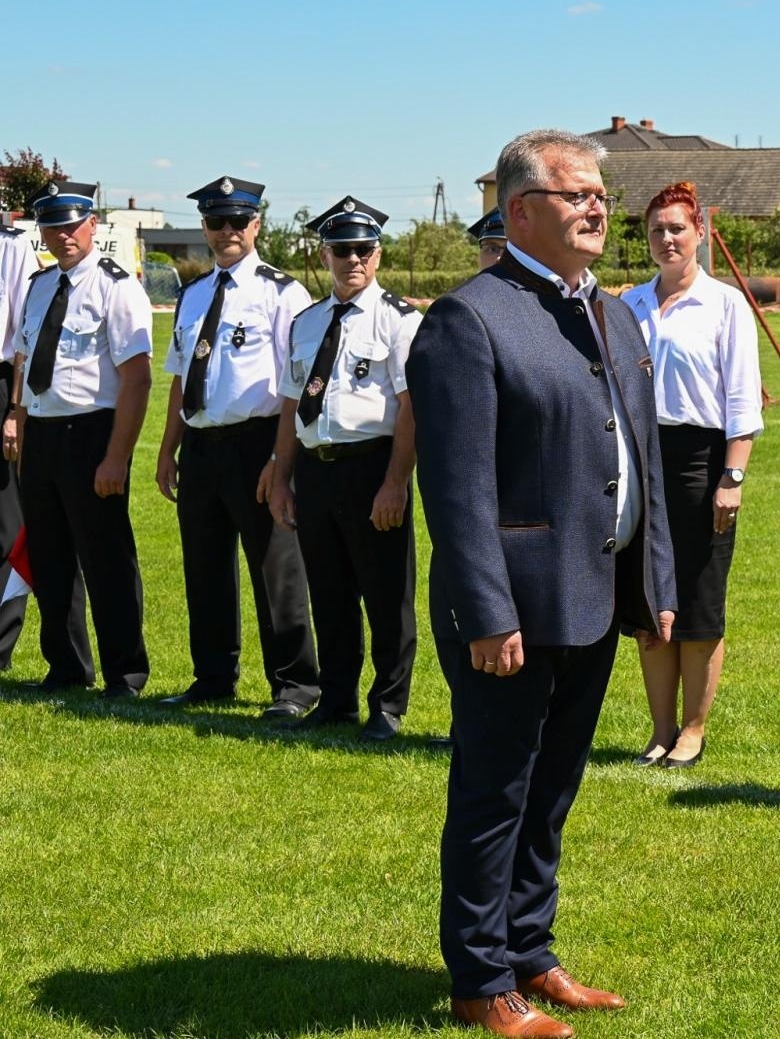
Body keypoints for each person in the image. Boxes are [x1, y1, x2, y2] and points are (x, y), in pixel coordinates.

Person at [407, 129, 675, 1039]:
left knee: (552, 788)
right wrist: (486, 609)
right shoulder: (469, 318)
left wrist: (656, 581)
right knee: (496, 794)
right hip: (512, 609)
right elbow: (455, 487)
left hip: (593, 597)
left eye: (602, 193)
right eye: (577, 194)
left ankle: (531, 952)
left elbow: (639, 454)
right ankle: (482, 981)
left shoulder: (614, 312)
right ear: (522, 210)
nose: (599, 207)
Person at [155, 176, 319, 719]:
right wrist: (166, 449)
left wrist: (280, 461)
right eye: (215, 222)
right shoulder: (193, 294)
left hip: (258, 444)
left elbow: (294, 386)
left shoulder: (282, 292)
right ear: (204, 228)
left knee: (276, 568)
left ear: (256, 224)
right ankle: (213, 675)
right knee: (204, 568)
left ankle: (294, 686)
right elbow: (180, 376)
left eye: (237, 221)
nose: (226, 232)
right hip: (201, 444)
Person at [620, 181, 762, 769]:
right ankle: (659, 729)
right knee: (649, 604)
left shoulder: (726, 305)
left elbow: (741, 402)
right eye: (656, 230)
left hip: (702, 465)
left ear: (699, 232)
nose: (666, 239)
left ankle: (693, 732)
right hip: (638, 462)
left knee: (699, 604)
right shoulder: (628, 306)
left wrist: (733, 478)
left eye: (677, 228)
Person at [267, 197, 419, 742]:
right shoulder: (307, 323)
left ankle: (388, 705)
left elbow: (411, 408)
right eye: (341, 250)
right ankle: (336, 700)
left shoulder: (400, 320)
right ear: (324, 255)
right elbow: (290, 404)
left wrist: (395, 483)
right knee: (328, 592)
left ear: (377, 256)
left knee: (385, 595)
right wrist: (282, 477)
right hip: (316, 468)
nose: (352, 260)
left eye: (363, 250)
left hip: (371, 468)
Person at [8, 181, 153, 698]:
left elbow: (137, 377)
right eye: (53, 226)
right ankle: (67, 666)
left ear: (93, 225)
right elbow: (26, 362)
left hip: (92, 432)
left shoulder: (117, 286)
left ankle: (124, 672)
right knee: (51, 558)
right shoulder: (40, 285)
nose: (63, 235)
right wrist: (20, 429)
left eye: (72, 224)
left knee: (106, 558)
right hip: (43, 434)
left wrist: (117, 457)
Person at [0, 218, 39, 671]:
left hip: (1, 384)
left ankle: (1, 643)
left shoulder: (12, 248)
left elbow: (23, 338)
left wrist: (14, 409)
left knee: (6, 524)